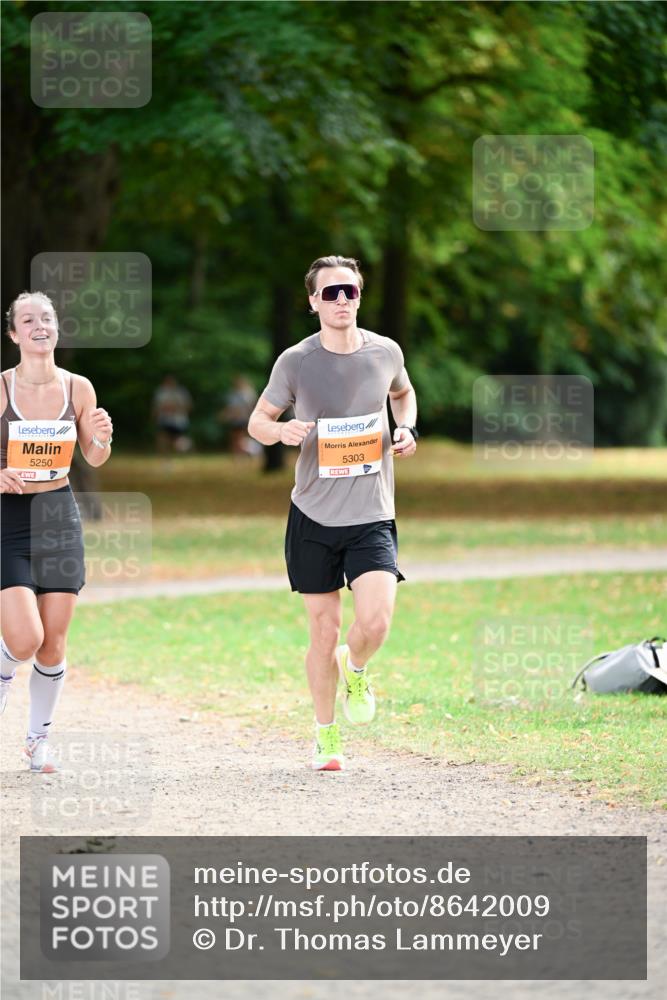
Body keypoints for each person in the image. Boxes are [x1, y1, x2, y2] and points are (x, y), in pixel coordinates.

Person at [248, 255, 418, 771]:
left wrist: (406, 428)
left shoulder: (385, 351)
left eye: (349, 291)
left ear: (360, 296)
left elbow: (403, 394)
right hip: (313, 517)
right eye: (330, 293)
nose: (341, 300)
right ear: (313, 302)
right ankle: (326, 735)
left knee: (376, 620)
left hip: (371, 513)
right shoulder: (296, 361)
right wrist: (280, 432)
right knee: (323, 633)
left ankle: (358, 665)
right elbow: (259, 420)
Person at [0, 291, 113, 772]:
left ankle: (36, 741)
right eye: (29, 320)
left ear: (57, 329)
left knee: (53, 643)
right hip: (9, 520)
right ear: (14, 334)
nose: (39, 326)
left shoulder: (79, 388)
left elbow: (95, 456)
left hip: (59, 517)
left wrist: (104, 437)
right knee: (24, 638)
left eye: (46, 318)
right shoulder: (1, 388)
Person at [152, 375, 193, 453]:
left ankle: (182, 452)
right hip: (164, 419)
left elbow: (189, 406)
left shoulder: (182, 392)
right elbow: (156, 407)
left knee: (178, 440)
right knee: (162, 437)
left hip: (179, 420)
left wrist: (176, 408)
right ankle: (163, 454)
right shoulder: (160, 392)